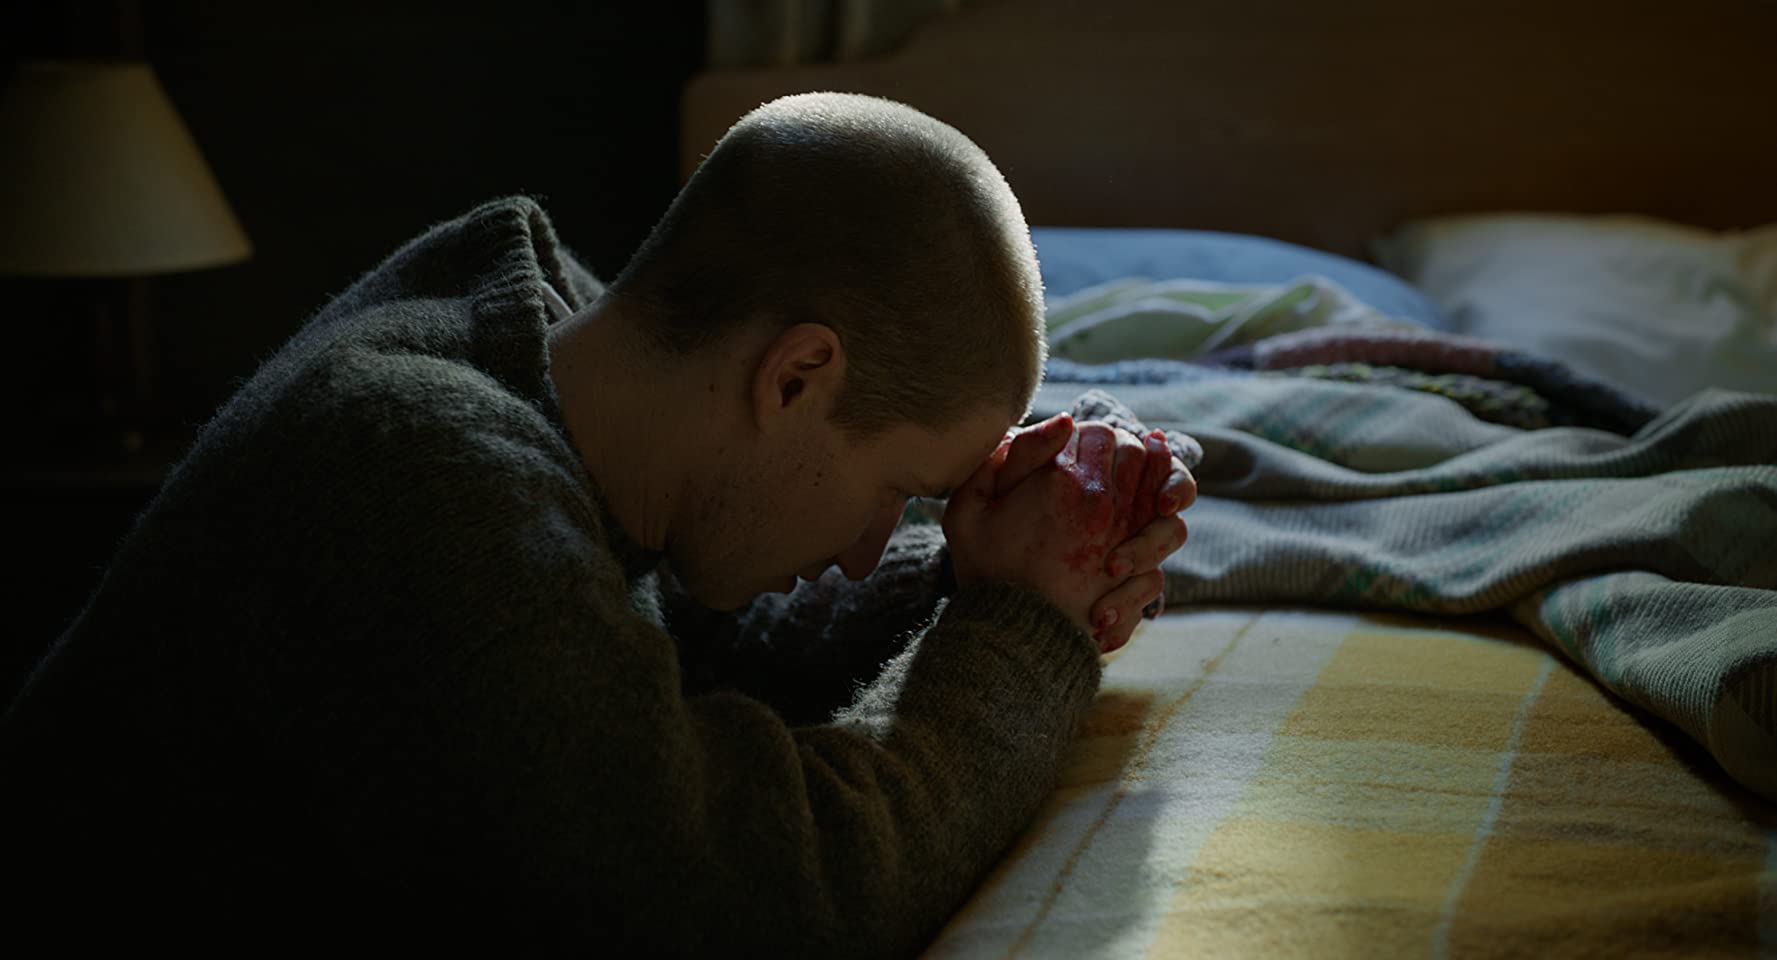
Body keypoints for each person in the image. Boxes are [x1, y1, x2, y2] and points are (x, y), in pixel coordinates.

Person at [0, 93, 1195, 954]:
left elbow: (690, 656)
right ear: (794, 378)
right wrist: (1018, 630)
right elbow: (764, 901)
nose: (868, 544)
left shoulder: (579, 380)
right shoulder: (419, 476)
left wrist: (982, 569)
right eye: (896, 492)